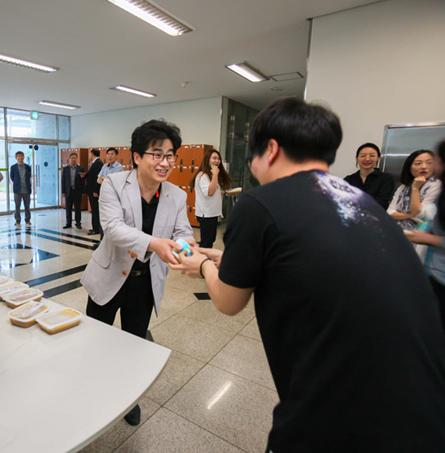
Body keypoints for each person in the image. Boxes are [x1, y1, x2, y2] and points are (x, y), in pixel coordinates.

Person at [169, 97, 445, 452]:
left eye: (252, 156)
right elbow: (311, 259)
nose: (253, 167)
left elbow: (227, 301)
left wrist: (203, 265)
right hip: (422, 409)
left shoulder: (259, 203)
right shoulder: (358, 200)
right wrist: (236, 259)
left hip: (341, 417)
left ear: (270, 150)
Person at [80, 120, 195, 427]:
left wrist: (186, 250)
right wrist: (155, 244)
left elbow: (184, 233)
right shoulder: (114, 184)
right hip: (108, 278)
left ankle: (128, 398)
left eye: (170, 155)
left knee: (133, 344)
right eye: (157, 154)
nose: (165, 162)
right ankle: (91, 390)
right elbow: (113, 229)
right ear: (136, 156)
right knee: (96, 340)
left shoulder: (176, 195)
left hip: (145, 284)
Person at [407, 139, 445, 333]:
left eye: (432, 160)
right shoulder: (404, 187)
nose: (427, 166)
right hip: (434, 270)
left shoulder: (435, 186)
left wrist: (426, 238)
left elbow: (418, 213)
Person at [388, 149, 441, 231]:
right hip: (398, 230)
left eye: (429, 163)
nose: (424, 167)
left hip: (421, 233)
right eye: (418, 163)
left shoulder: (437, 185)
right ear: (409, 167)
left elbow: (419, 214)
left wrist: (415, 189)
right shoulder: (403, 187)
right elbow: (390, 212)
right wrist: (410, 216)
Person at [189, 149, 232, 248]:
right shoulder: (203, 175)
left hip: (212, 213)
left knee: (210, 240)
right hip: (206, 214)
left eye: (218, 158)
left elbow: (212, 190)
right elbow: (210, 192)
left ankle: (204, 255)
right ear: (207, 159)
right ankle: (201, 257)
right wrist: (215, 174)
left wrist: (224, 193)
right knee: (206, 242)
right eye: (214, 158)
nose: (217, 161)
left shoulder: (211, 175)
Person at [343, 142, 394, 209]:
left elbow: (382, 203)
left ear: (378, 158)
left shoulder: (385, 179)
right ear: (357, 158)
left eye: (372, 156)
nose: (367, 159)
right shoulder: (348, 180)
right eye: (363, 156)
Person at [62, 152, 85, 229]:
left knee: (77, 208)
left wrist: (83, 191)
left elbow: (82, 181)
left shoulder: (81, 168)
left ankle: (78, 223)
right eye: (72, 158)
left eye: (75, 158)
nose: (73, 159)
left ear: (77, 159)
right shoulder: (65, 169)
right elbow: (63, 181)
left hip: (77, 191)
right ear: (69, 159)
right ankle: (68, 222)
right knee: (68, 208)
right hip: (68, 191)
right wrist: (63, 191)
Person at [10, 151, 32, 227]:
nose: (20, 157)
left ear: (24, 157)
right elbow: (12, 177)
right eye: (19, 156)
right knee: (17, 207)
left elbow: (29, 177)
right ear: (16, 158)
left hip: (26, 190)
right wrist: (17, 183)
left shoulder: (28, 167)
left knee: (27, 207)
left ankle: (27, 220)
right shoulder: (13, 167)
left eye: (22, 156)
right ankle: (17, 220)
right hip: (17, 190)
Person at [86, 149, 104, 235]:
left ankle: (96, 229)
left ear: (92, 154)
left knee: (95, 210)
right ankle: (94, 227)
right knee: (94, 210)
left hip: (94, 191)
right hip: (91, 190)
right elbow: (91, 175)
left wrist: (95, 190)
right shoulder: (94, 163)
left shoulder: (98, 163)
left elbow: (97, 178)